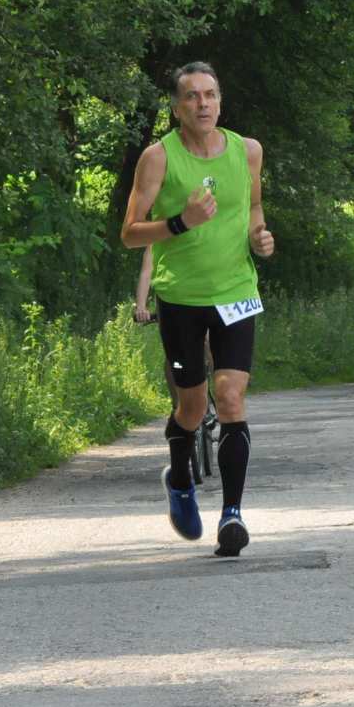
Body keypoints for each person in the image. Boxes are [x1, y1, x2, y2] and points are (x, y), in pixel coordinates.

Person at [120, 61, 274, 557]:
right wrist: (180, 223)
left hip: (236, 292)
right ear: (176, 107)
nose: (203, 104)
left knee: (230, 397)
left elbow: (253, 207)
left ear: (220, 102)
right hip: (181, 298)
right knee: (190, 407)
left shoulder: (248, 151)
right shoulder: (158, 158)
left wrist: (259, 236)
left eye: (210, 95)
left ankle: (232, 514)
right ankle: (181, 480)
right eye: (192, 96)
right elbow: (130, 234)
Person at [135, 245, 218, 458]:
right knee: (174, 357)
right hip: (174, 304)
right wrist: (141, 306)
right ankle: (178, 404)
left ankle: (221, 397)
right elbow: (146, 273)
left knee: (209, 343)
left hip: (204, 299)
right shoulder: (158, 240)